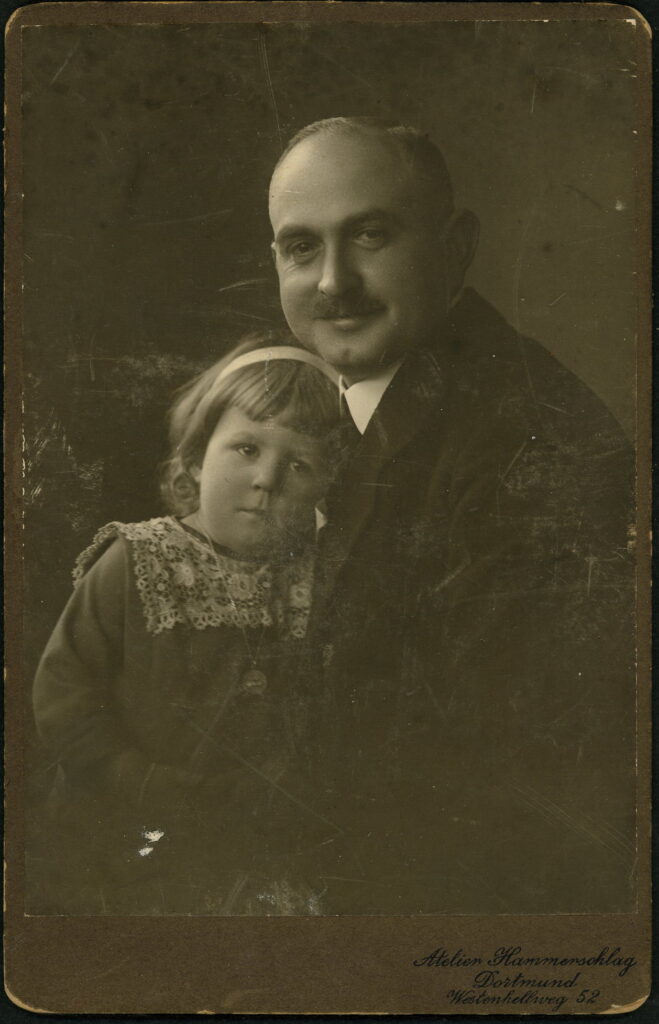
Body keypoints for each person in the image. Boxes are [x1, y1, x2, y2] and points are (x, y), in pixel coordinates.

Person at [268, 117, 637, 914]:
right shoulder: (332, 415)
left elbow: (492, 796)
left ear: (455, 246)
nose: (332, 281)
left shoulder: (531, 443)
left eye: (369, 234)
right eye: (300, 247)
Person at [31, 330, 342, 916]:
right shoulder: (139, 559)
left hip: (252, 837)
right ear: (198, 458)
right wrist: (135, 779)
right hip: (129, 824)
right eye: (246, 449)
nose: (267, 480)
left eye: (298, 463)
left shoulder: (319, 578)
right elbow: (63, 694)